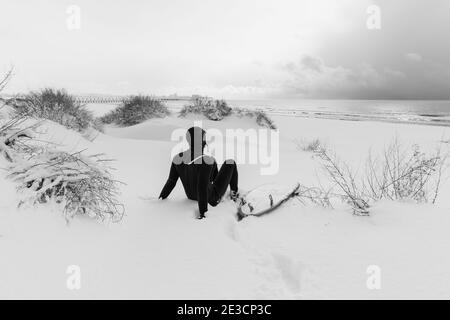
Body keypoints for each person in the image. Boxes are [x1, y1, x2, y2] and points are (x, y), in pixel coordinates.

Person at [159, 126, 239, 219]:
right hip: (211, 198)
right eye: (204, 138)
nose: (205, 141)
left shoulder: (177, 158)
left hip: (190, 195)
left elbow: (171, 181)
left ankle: (229, 192)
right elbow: (202, 187)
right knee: (230, 162)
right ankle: (234, 194)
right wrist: (203, 213)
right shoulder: (206, 160)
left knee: (211, 163)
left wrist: (161, 198)